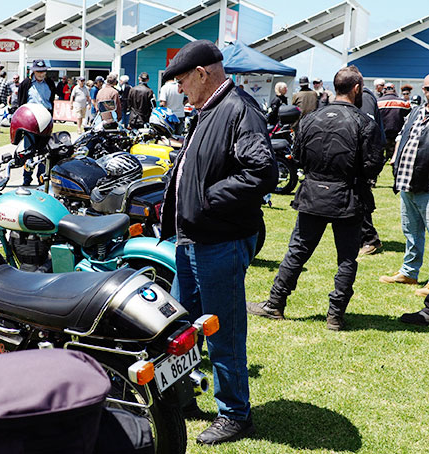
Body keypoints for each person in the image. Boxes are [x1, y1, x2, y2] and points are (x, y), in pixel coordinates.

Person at [160, 40, 277, 445]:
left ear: (202, 74)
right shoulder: (209, 110)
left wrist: (206, 200)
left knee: (222, 332)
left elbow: (261, 171)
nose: (179, 89)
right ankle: (183, 395)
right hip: (194, 239)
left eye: (181, 80)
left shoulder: (238, 109)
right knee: (178, 327)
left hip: (219, 240)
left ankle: (235, 414)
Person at [247, 66, 384, 331]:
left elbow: (297, 157)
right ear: (357, 89)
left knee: (297, 251)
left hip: (316, 192)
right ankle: (334, 315)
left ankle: (276, 303)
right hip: (347, 194)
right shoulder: (364, 122)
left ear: (336, 87)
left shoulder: (311, 119)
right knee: (346, 258)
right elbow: (373, 164)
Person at [380, 74, 429, 298]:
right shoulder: (417, 111)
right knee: (411, 231)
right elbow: (402, 133)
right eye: (427, 88)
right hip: (407, 182)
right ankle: (409, 272)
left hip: (427, 184)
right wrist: (396, 155)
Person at [18, 59, 56, 186]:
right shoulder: (26, 83)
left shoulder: (50, 83)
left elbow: (51, 101)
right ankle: (26, 178)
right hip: (30, 120)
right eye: (38, 71)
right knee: (28, 150)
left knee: (44, 151)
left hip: (45, 119)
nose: (41, 74)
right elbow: (20, 102)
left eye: (43, 71)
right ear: (33, 71)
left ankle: (41, 177)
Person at [358, 85, 387, 256]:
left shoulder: (365, 97)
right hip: (363, 154)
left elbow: (368, 127)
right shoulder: (363, 97)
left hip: (366, 156)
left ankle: (370, 240)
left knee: (360, 197)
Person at [378, 83, 411, 160]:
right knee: (395, 153)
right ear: (394, 90)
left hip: (383, 132)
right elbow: (409, 115)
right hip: (397, 132)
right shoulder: (403, 102)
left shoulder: (378, 102)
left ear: (384, 91)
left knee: (381, 152)